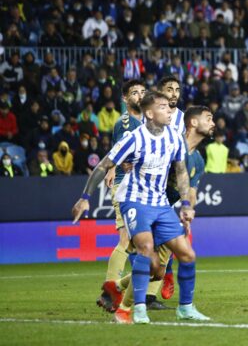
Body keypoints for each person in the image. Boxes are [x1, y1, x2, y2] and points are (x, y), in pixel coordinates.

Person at [71, 91, 209, 324]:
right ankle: (137, 310)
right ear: (149, 113)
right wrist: (85, 197)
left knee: (185, 256)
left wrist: (186, 204)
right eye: (163, 107)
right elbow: (104, 165)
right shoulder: (134, 138)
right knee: (146, 248)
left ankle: (185, 308)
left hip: (161, 203)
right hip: (134, 200)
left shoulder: (174, 138)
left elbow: (182, 171)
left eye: (168, 107)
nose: (169, 110)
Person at [105, 105, 215, 322]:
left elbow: (190, 189)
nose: (214, 123)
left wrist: (187, 208)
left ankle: (117, 287)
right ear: (193, 122)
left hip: (165, 209)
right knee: (141, 253)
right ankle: (128, 308)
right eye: (209, 118)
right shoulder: (168, 141)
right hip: (139, 204)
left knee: (157, 270)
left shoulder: (199, 160)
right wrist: (120, 166)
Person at [97, 79, 155, 311]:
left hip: (142, 186)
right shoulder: (125, 122)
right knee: (125, 240)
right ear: (125, 98)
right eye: (134, 92)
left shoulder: (148, 122)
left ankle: (134, 294)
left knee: (143, 243)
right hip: (124, 184)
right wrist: (117, 166)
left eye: (143, 91)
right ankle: (109, 293)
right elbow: (118, 153)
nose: (139, 95)